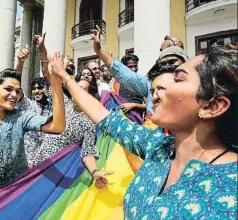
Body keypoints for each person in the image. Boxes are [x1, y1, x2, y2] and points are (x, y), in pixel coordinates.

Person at [49, 44, 238, 219]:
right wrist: (64, 77)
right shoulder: (158, 146)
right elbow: (102, 115)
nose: (155, 95)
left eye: (178, 79)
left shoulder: (230, 185)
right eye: (153, 88)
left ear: (212, 106)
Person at [0, 53, 66, 200]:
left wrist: (55, 83)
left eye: (18, 91)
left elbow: (57, 126)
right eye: (8, 89)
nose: (14, 94)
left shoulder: (21, 117)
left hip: (12, 199)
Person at [16, 48, 109, 188]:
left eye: (82, 90)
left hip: (58, 172)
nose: (77, 92)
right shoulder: (62, 103)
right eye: (75, 88)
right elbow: (51, 80)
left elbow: (88, 151)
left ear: (88, 95)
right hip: (38, 165)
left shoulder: (89, 122)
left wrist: (94, 171)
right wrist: (43, 53)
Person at [90, 26, 189, 115]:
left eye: (174, 48)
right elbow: (126, 75)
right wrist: (99, 50)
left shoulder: (196, 78)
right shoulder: (151, 79)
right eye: (164, 50)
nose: (155, 97)